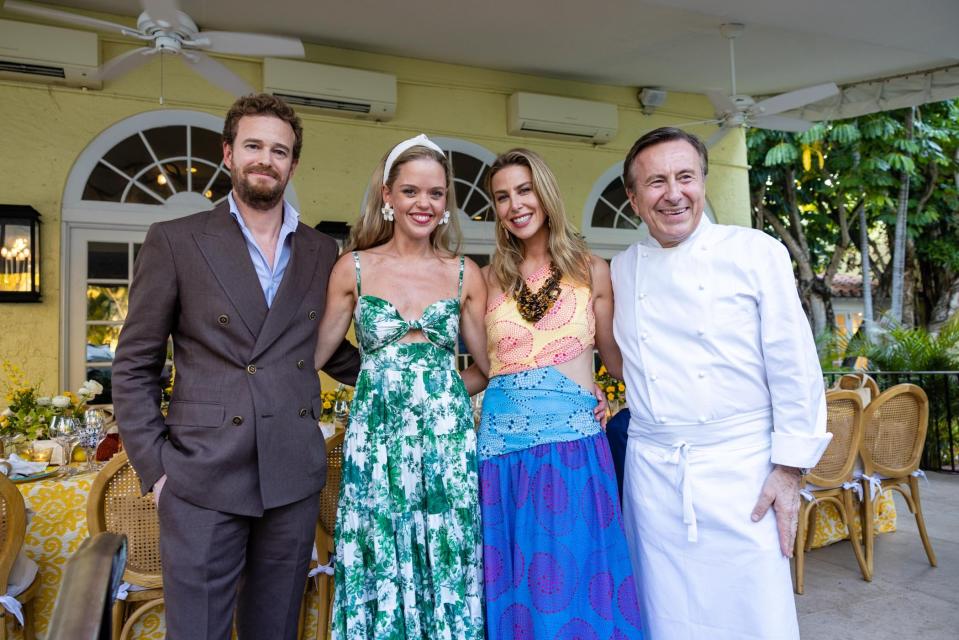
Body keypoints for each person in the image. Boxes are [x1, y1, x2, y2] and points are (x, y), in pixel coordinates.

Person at [112, 94, 360, 640]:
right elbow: (134, 366)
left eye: (280, 150)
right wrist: (157, 470)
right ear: (228, 153)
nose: (265, 160)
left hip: (291, 475)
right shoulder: (176, 241)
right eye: (253, 145)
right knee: (197, 631)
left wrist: (413, 375)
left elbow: (331, 348)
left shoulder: (323, 251)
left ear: (293, 164)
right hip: (201, 473)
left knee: (274, 630)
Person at [611, 127, 832, 639]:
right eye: (656, 182)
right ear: (633, 197)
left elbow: (795, 366)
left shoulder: (756, 252)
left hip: (743, 473)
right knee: (665, 616)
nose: (673, 193)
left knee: (752, 614)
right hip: (654, 477)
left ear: (703, 182)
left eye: (685, 177)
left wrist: (789, 470)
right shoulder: (621, 270)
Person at [313, 134, 489, 640]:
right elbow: (314, 357)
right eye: (411, 191)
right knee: (380, 552)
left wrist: (445, 393)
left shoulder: (463, 274)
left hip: (447, 443)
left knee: (446, 555)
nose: (424, 204)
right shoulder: (356, 267)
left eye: (435, 194)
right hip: (377, 441)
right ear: (387, 196)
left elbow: (488, 365)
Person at [478, 148, 642, 639]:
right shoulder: (487, 280)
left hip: (572, 446)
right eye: (502, 197)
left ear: (545, 194)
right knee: (516, 585)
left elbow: (616, 357)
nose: (515, 205)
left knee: (574, 578)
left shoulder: (593, 270)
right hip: (500, 452)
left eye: (524, 190)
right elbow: (480, 366)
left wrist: (607, 393)